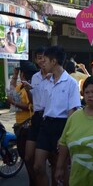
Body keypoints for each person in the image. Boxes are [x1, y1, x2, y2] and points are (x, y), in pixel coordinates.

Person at [33, 45, 81, 186]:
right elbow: (40, 106)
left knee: (59, 168)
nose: (43, 63)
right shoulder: (45, 82)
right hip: (45, 125)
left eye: (45, 60)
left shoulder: (71, 83)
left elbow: (72, 111)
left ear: (54, 61)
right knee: (38, 166)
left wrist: (64, 136)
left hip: (62, 126)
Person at [24, 47, 48, 186]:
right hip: (37, 117)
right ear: (36, 60)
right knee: (28, 157)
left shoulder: (54, 77)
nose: (42, 60)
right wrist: (28, 91)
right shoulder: (35, 77)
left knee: (53, 161)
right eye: (39, 57)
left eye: (44, 57)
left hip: (50, 118)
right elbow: (33, 101)